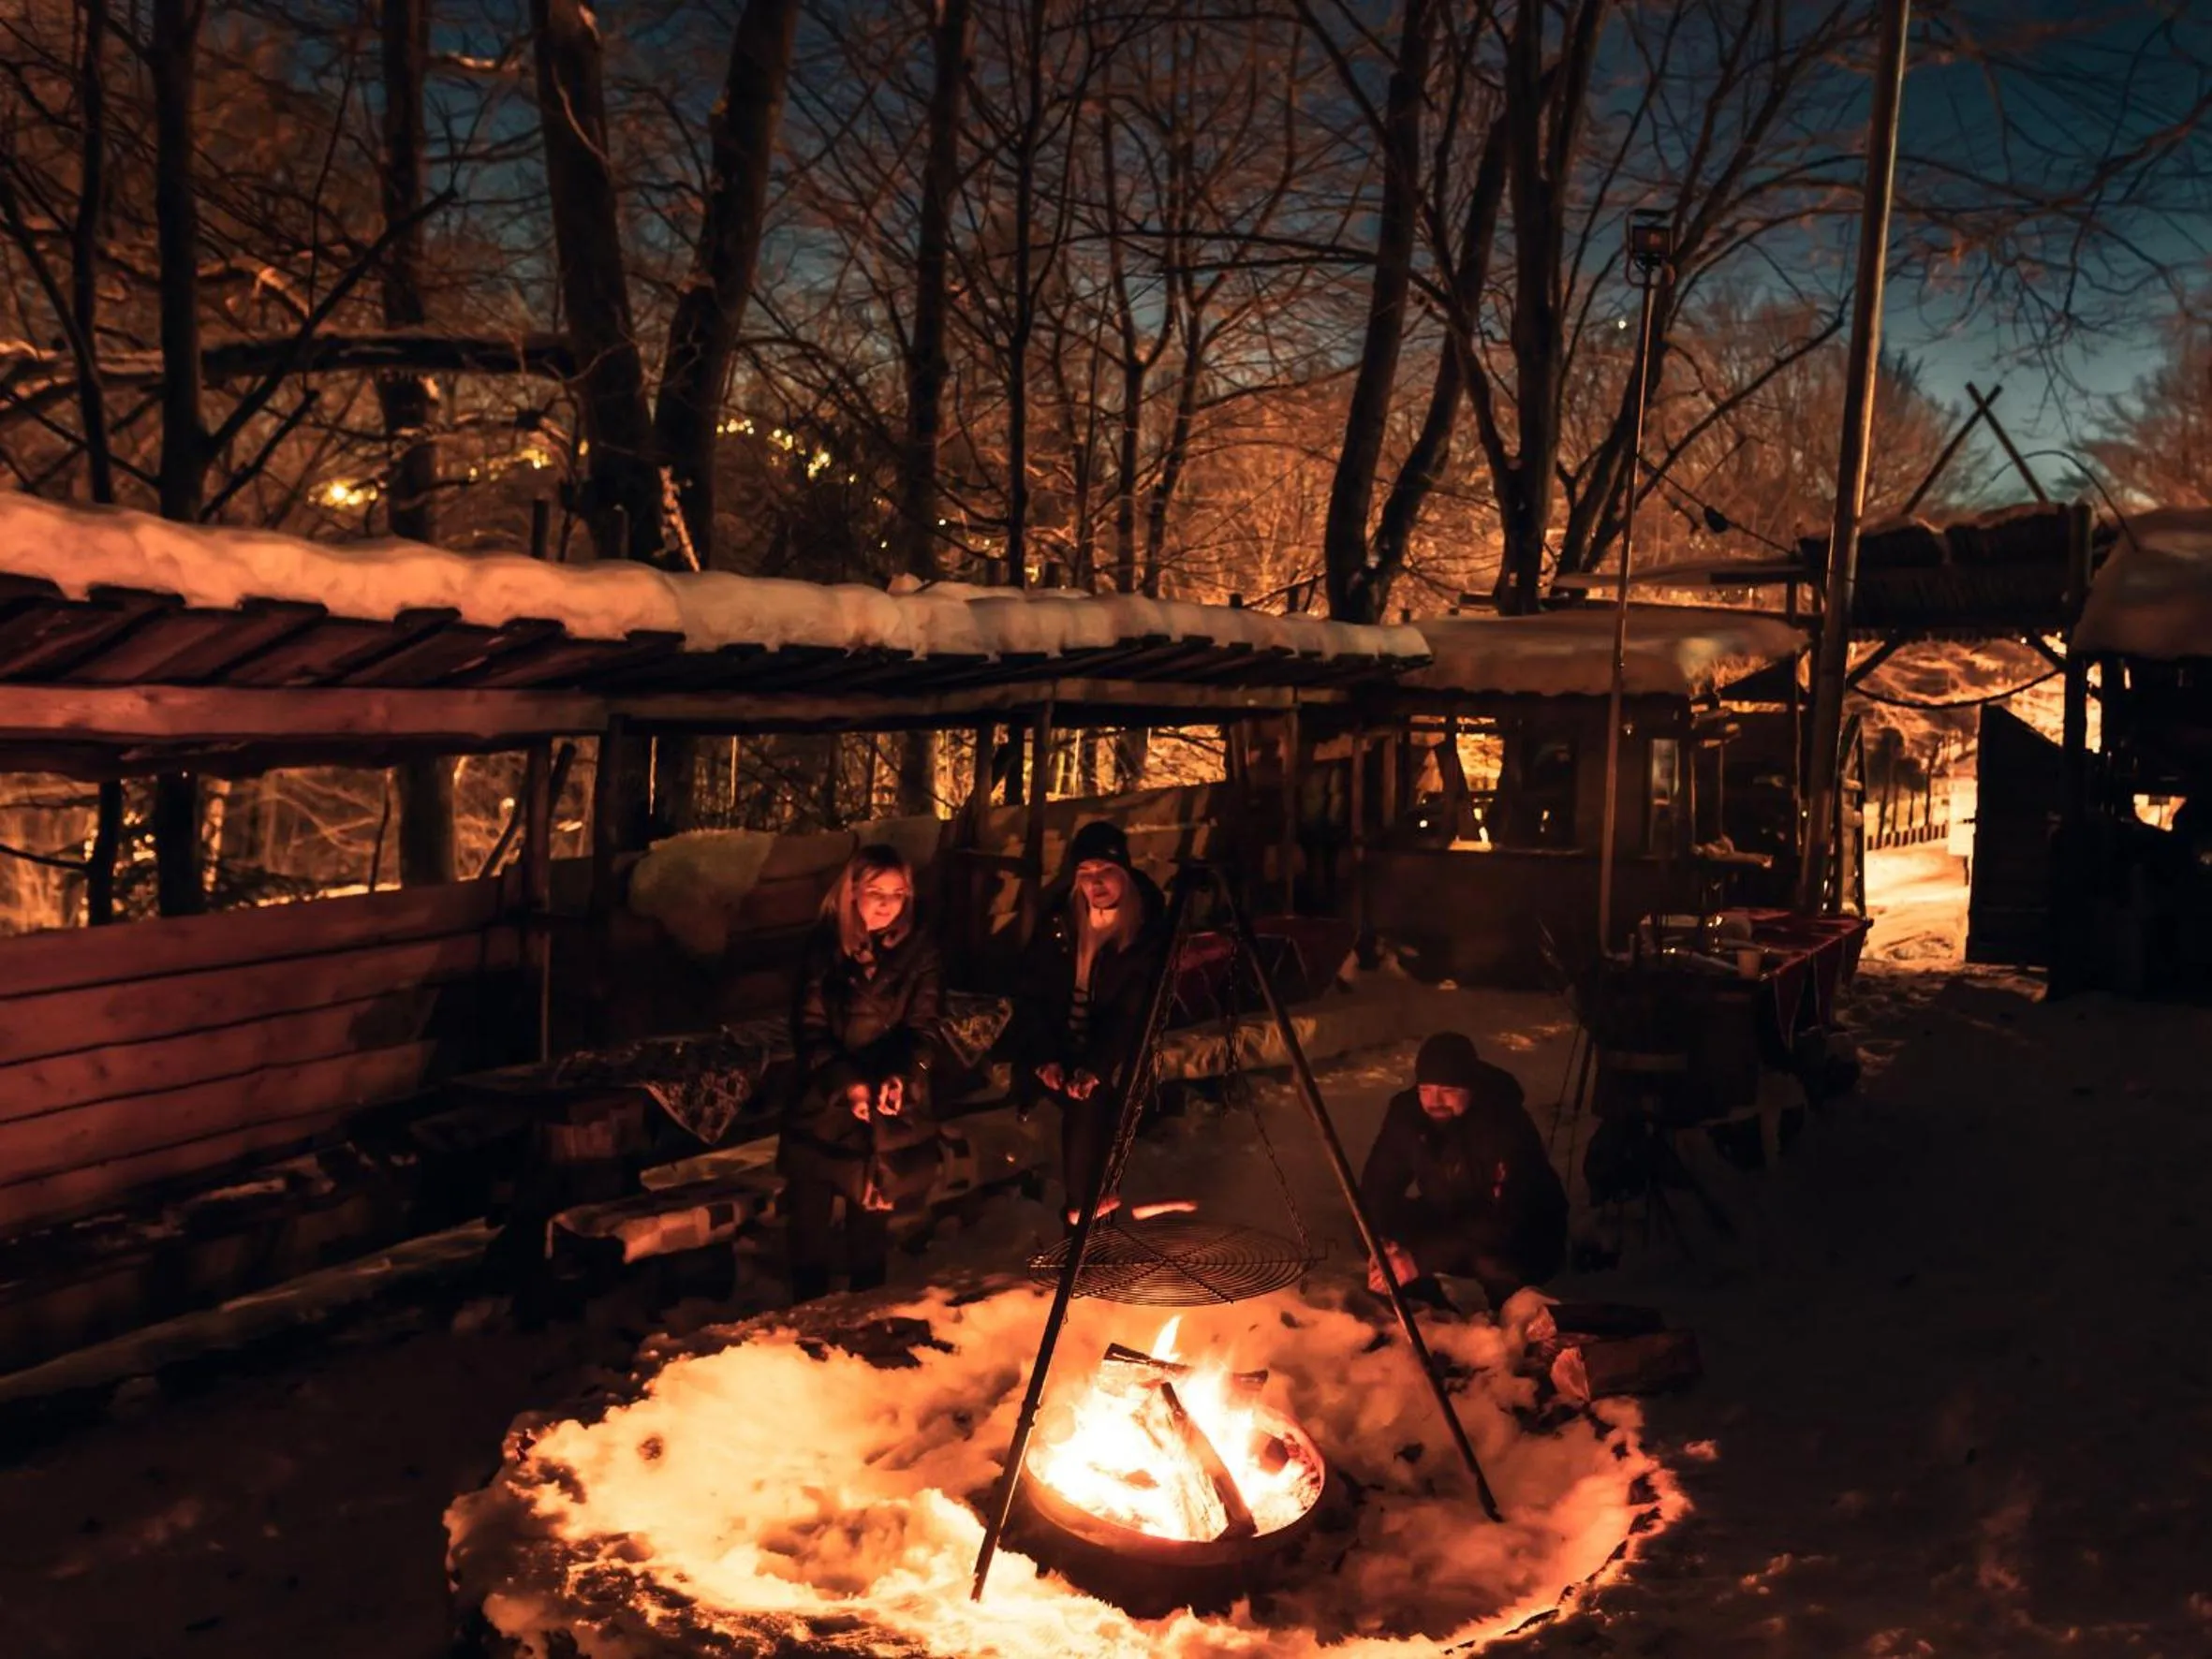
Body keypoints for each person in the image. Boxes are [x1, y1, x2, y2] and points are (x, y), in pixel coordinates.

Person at [778, 844, 945, 1301]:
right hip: (823, 1105)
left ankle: (865, 1326)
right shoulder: (823, 951)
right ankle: (804, 1324)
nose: (888, 903)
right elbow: (808, 1028)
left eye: (898, 892)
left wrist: (902, 1077)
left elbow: (924, 1028)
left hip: (882, 1116)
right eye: (876, 892)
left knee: (869, 1227)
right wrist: (846, 1082)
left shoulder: (919, 951)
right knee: (809, 1226)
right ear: (852, 893)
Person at [1010, 820, 1170, 1228]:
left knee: (1091, 1102)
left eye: (1105, 872)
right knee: (1087, 1105)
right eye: (1086, 874)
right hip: (1058, 1044)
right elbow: (1033, 993)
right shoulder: (1061, 920)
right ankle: (1090, 1217)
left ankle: (1082, 1216)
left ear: (1125, 873)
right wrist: (1045, 1057)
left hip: (1109, 1048)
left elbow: (1132, 1011)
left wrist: (1095, 1067)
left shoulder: (1146, 930)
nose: (1096, 884)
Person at [1359, 1031, 1568, 1311]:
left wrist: (1418, 1260)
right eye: (1426, 1089)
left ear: (1472, 1088)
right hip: (1450, 1215)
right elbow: (1379, 1183)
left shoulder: (1502, 1123)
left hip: (1522, 1234)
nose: (1435, 1101)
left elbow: (1501, 1219)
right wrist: (1382, 1241)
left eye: (1449, 1091)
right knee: (1364, 1225)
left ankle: (1508, 1320)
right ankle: (1426, 1304)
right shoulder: (1407, 1114)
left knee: (1492, 1260)